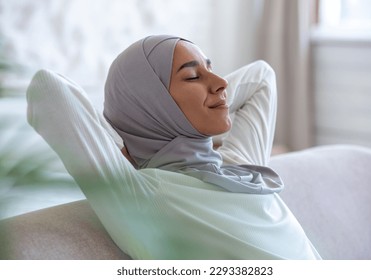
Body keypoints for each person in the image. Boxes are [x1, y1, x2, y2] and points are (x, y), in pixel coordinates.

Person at [27, 35, 321, 259]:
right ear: (153, 104)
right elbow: (48, 89)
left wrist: (205, 100)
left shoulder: (238, 166)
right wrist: (125, 138)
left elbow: (261, 78)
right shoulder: (140, 196)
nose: (220, 83)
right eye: (193, 76)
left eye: (211, 69)